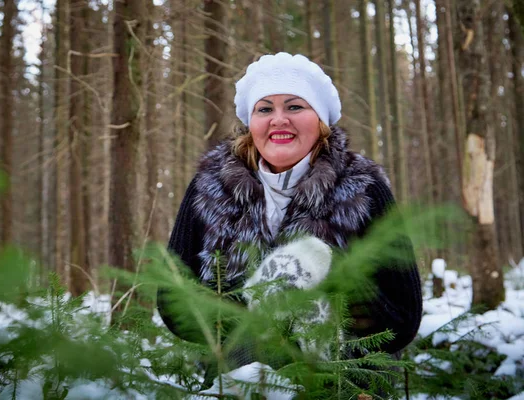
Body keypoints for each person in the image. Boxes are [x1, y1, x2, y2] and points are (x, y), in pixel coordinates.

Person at [157, 52, 422, 387]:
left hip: (344, 383)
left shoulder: (364, 189)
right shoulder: (209, 188)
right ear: (250, 122)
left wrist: (326, 288)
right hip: (237, 380)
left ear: (321, 121)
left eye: (295, 106)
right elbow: (173, 297)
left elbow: (403, 318)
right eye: (265, 109)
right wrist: (255, 306)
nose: (278, 119)